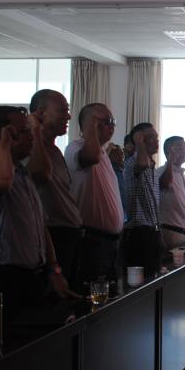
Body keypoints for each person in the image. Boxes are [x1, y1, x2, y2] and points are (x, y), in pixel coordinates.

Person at [0, 106, 71, 319]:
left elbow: (40, 226)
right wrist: (4, 144)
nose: (30, 136)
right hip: (3, 277)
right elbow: (1, 183)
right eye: (23, 131)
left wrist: (54, 269)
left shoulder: (24, 175)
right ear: (1, 135)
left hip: (32, 277)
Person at [28, 90, 84, 284]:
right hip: (52, 235)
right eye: (62, 110)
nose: (68, 116)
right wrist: (35, 131)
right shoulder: (31, 148)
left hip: (69, 234)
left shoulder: (55, 150)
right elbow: (40, 174)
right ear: (40, 113)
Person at [65, 103, 124, 285]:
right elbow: (90, 157)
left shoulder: (103, 153)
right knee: (93, 296)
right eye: (106, 121)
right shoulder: (75, 147)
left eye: (113, 121)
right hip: (91, 240)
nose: (112, 126)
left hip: (109, 242)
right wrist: (90, 128)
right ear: (91, 124)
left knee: (111, 295)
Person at [122, 122, 165, 273]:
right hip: (138, 233)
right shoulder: (132, 162)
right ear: (139, 139)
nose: (156, 141)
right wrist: (138, 142)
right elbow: (141, 164)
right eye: (151, 137)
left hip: (153, 231)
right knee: (141, 280)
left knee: (155, 275)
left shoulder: (152, 167)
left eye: (156, 137)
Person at [157, 136, 185, 250]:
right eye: (180, 148)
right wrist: (170, 161)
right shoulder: (161, 171)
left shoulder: (182, 174)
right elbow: (164, 184)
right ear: (169, 151)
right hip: (171, 231)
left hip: (184, 232)